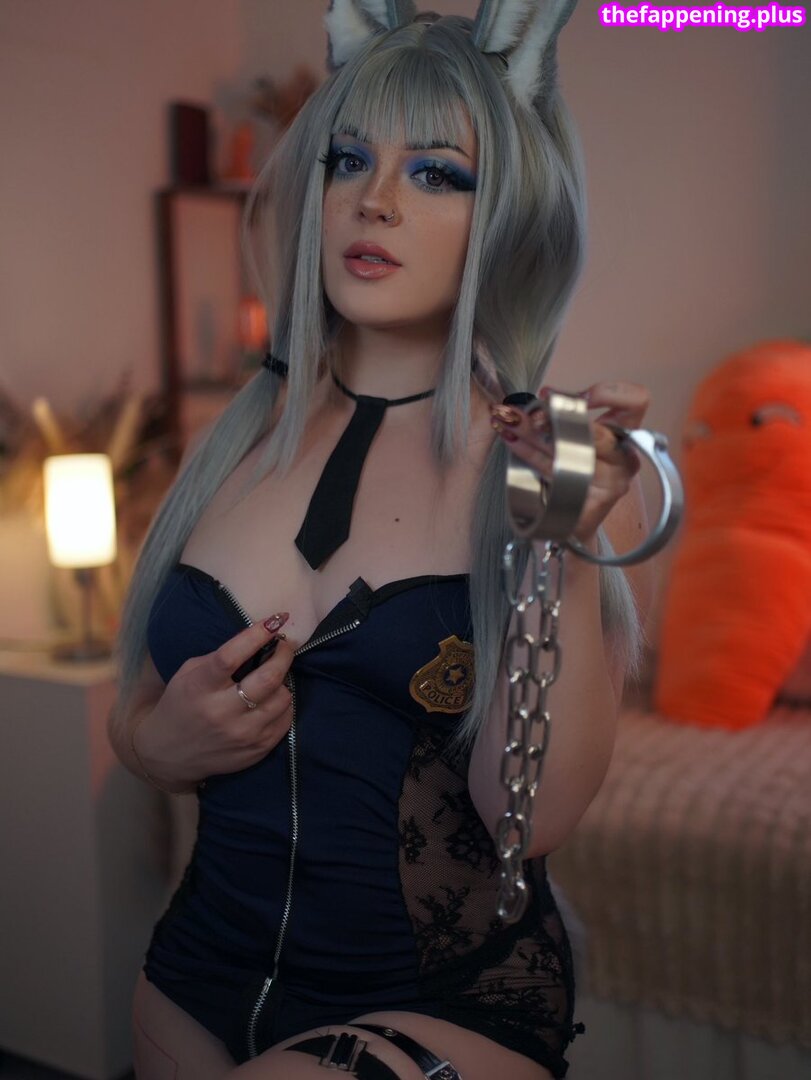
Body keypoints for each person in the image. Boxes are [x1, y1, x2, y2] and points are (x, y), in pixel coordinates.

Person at [109, 2, 654, 1077]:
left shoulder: (550, 460)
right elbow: (141, 706)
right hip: (192, 978)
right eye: (349, 160)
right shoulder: (231, 443)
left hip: (436, 1002)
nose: (376, 200)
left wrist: (558, 541)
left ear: (508, 209)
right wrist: (152, 748)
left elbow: (529, 819)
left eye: (436, 173)